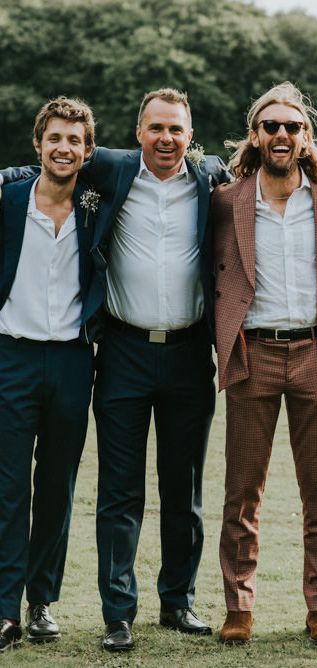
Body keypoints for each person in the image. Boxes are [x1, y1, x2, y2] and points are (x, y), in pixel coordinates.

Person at [0, 87, 231, 651]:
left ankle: (176, 602)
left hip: (178, 352)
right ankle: (113, 612)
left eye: (176, 129)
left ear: (190, 134)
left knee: (181, 489)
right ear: (137, 133)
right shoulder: (107, 174)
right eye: (155, 128)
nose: (165, 138)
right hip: (113, 352)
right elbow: (48, 162)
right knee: (105, 491)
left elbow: (252, 165)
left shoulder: (209, 179)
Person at [212, 82, 317, 647]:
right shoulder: (227, 200)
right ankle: (239, 606)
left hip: (315, 352)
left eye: (293, 127)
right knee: (242, 490)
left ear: (306, 136)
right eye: (271, 126)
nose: (281, 135)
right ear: (255, 134)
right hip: (253, 352)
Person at [0, 97, 97, 652]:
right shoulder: (9, 199)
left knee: (57, 486)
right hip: (11, 357)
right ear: (38, 144)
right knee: (10, 488)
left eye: (74, 141)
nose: (64, 148)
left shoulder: (95, 203)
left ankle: (43, 604)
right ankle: (4, 607)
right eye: (54, 138)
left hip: (72, 360)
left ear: (87, 150)